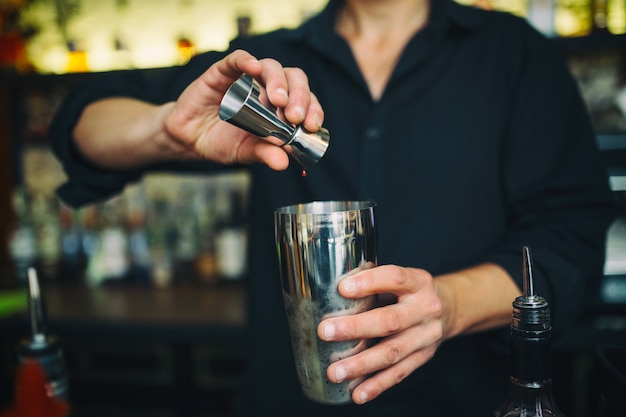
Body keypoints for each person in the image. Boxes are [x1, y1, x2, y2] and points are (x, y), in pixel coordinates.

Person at [49, 0, 616, 415]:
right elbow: (79, 123)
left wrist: (449, 305)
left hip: (463, 401)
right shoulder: (267, 66)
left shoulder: (515, 56)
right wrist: (166, 130)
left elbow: (569, 243)